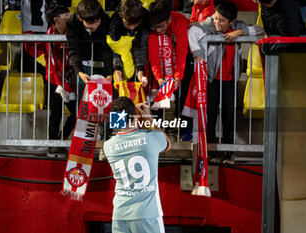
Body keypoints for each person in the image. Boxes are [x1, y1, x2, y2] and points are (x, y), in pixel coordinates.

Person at [188, 1, 264, 163]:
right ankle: (212, 154)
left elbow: (260, 30)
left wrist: (238, 32)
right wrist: (197, 53)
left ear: (231, 21)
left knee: (229, 117)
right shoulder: (208, 24)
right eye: (216, 18)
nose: (217, 23)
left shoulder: (237, 25)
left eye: (221, 20)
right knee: (210, 116)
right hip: (211, 79)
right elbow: (192, 31)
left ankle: (229, 153)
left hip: (229, 80)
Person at [103, 97, 170, 233]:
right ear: (134, 114)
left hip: (119, 214)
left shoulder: (108, 146)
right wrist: (148, 118)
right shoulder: (150, 138)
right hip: (147, 214)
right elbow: (167, 144)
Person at [24, 5, 76, 143]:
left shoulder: (73, 33)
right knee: (56, 114)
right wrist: (27, 37)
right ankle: (53, 143)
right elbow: (32, 48)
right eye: (66, 15)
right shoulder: (47, 36)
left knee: (77, 112)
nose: (69, 17)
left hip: (71, 79)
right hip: (54, 80)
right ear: (56, 20)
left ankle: (63, 138)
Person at [148, 0, 193, 141]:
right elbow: (153, 55)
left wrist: (178, 76)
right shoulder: (154, 27)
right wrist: (159, 78)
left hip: (182, 65)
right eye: (155, 27)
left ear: (169, 19)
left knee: (182, 97)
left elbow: (182, 52)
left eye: (161, 26)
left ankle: (179, 131)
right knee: (157, 98)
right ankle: (158, 132)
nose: (158, 30)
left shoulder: (180, 22)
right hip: (160, 68)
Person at [66, 0, 113, 103]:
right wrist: (80, 72)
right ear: (80, 18)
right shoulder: (72, 23)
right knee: (84, 103)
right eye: (90, 23)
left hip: (103, 64)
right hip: (83, 66)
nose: (95, 26)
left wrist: (109, 73)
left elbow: (107, 48)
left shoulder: (105, 19)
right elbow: (73, 50)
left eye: (97, 21)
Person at [107, 0, 150, 83]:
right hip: (120, 58)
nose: (132, 28)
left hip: (136, 55)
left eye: (136, 24)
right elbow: (116, 49)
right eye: (128, 24)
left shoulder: (146, 18)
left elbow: (141, 46)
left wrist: (140, 72)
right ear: (120, 15)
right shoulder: (114, 23)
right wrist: (118, 71)